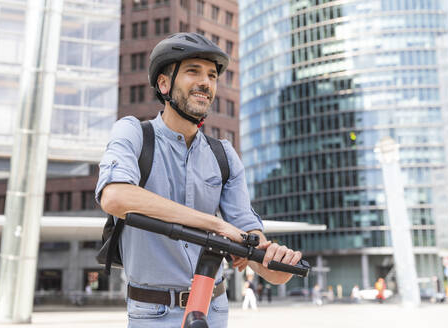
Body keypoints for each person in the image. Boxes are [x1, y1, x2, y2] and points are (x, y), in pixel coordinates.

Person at [96, 32, 303, 328]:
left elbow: (253, 246)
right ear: (164, 84)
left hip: (213, 309)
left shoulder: (225, 155)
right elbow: (116, 198)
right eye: (193, 71)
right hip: (150, 313)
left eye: (212, 75)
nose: (206, 82)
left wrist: (276, 262)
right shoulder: (133, 134)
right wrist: (215, 224)